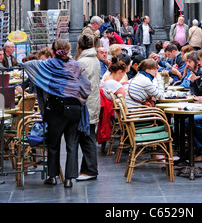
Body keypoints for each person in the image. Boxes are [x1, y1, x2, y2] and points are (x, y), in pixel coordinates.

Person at [23, 38, 91, 188]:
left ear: (53, 51)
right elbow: (87, 87)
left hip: (56, 107)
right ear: (68, 50)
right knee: (72, 144)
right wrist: (76, 94)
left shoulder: (47, 64)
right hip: (74, 108)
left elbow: (27, 64)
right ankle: (68, 179)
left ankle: (52, 176)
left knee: (53, 144)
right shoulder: (76, 65)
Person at [76, 34, 101, 181]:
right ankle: (86, 169)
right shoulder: (94, 59)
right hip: (93, 101)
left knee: (87, 137)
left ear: (79, 47)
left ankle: (91, 170)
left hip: (86, 103)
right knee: (88, 135)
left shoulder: (83, 61)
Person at [97, 57, 127, 146]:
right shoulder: (114, 84)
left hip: (112, 111)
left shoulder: (105, 80)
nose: (122, 77)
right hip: (118, 113)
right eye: (123, 74)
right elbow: (126, 98)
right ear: (120, 72)